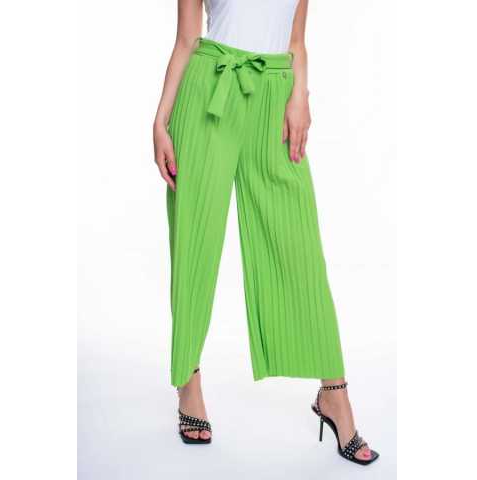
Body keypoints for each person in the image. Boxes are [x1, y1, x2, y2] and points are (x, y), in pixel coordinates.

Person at [153, 0, 379, 465]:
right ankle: (188, 383)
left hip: (276, 95)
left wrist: (300, 96)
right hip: (208, 90)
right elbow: (186, 39)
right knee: (193, 242)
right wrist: (160, 121)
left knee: (299, 248)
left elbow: (296, 40)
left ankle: (334, 395)